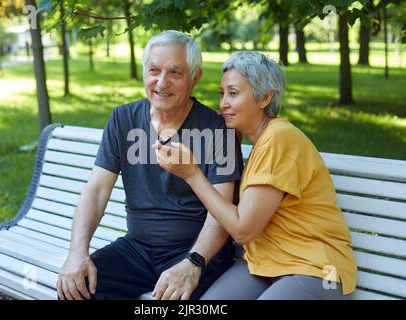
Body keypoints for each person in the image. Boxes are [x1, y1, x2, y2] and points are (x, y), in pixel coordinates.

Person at [154, 51, 357, 300]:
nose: (223, 103)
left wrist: (192, 173)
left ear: (264, 98)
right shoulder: (261, 141)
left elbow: (242, 230)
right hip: (263, 264)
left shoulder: (280, 139)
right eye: (222, 93)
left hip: (312, 268)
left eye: (234, 93)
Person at [57, 30, 242, 300]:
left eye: (175, 73)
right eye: (154, 70)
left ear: (195, 76)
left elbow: (221, 214)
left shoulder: (218, 130)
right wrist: (77, 253)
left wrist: (194, 263)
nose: (161, 82)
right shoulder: (123, 118)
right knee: (75, 290)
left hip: (197, 252)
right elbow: (96, 191)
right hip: (137, 249)